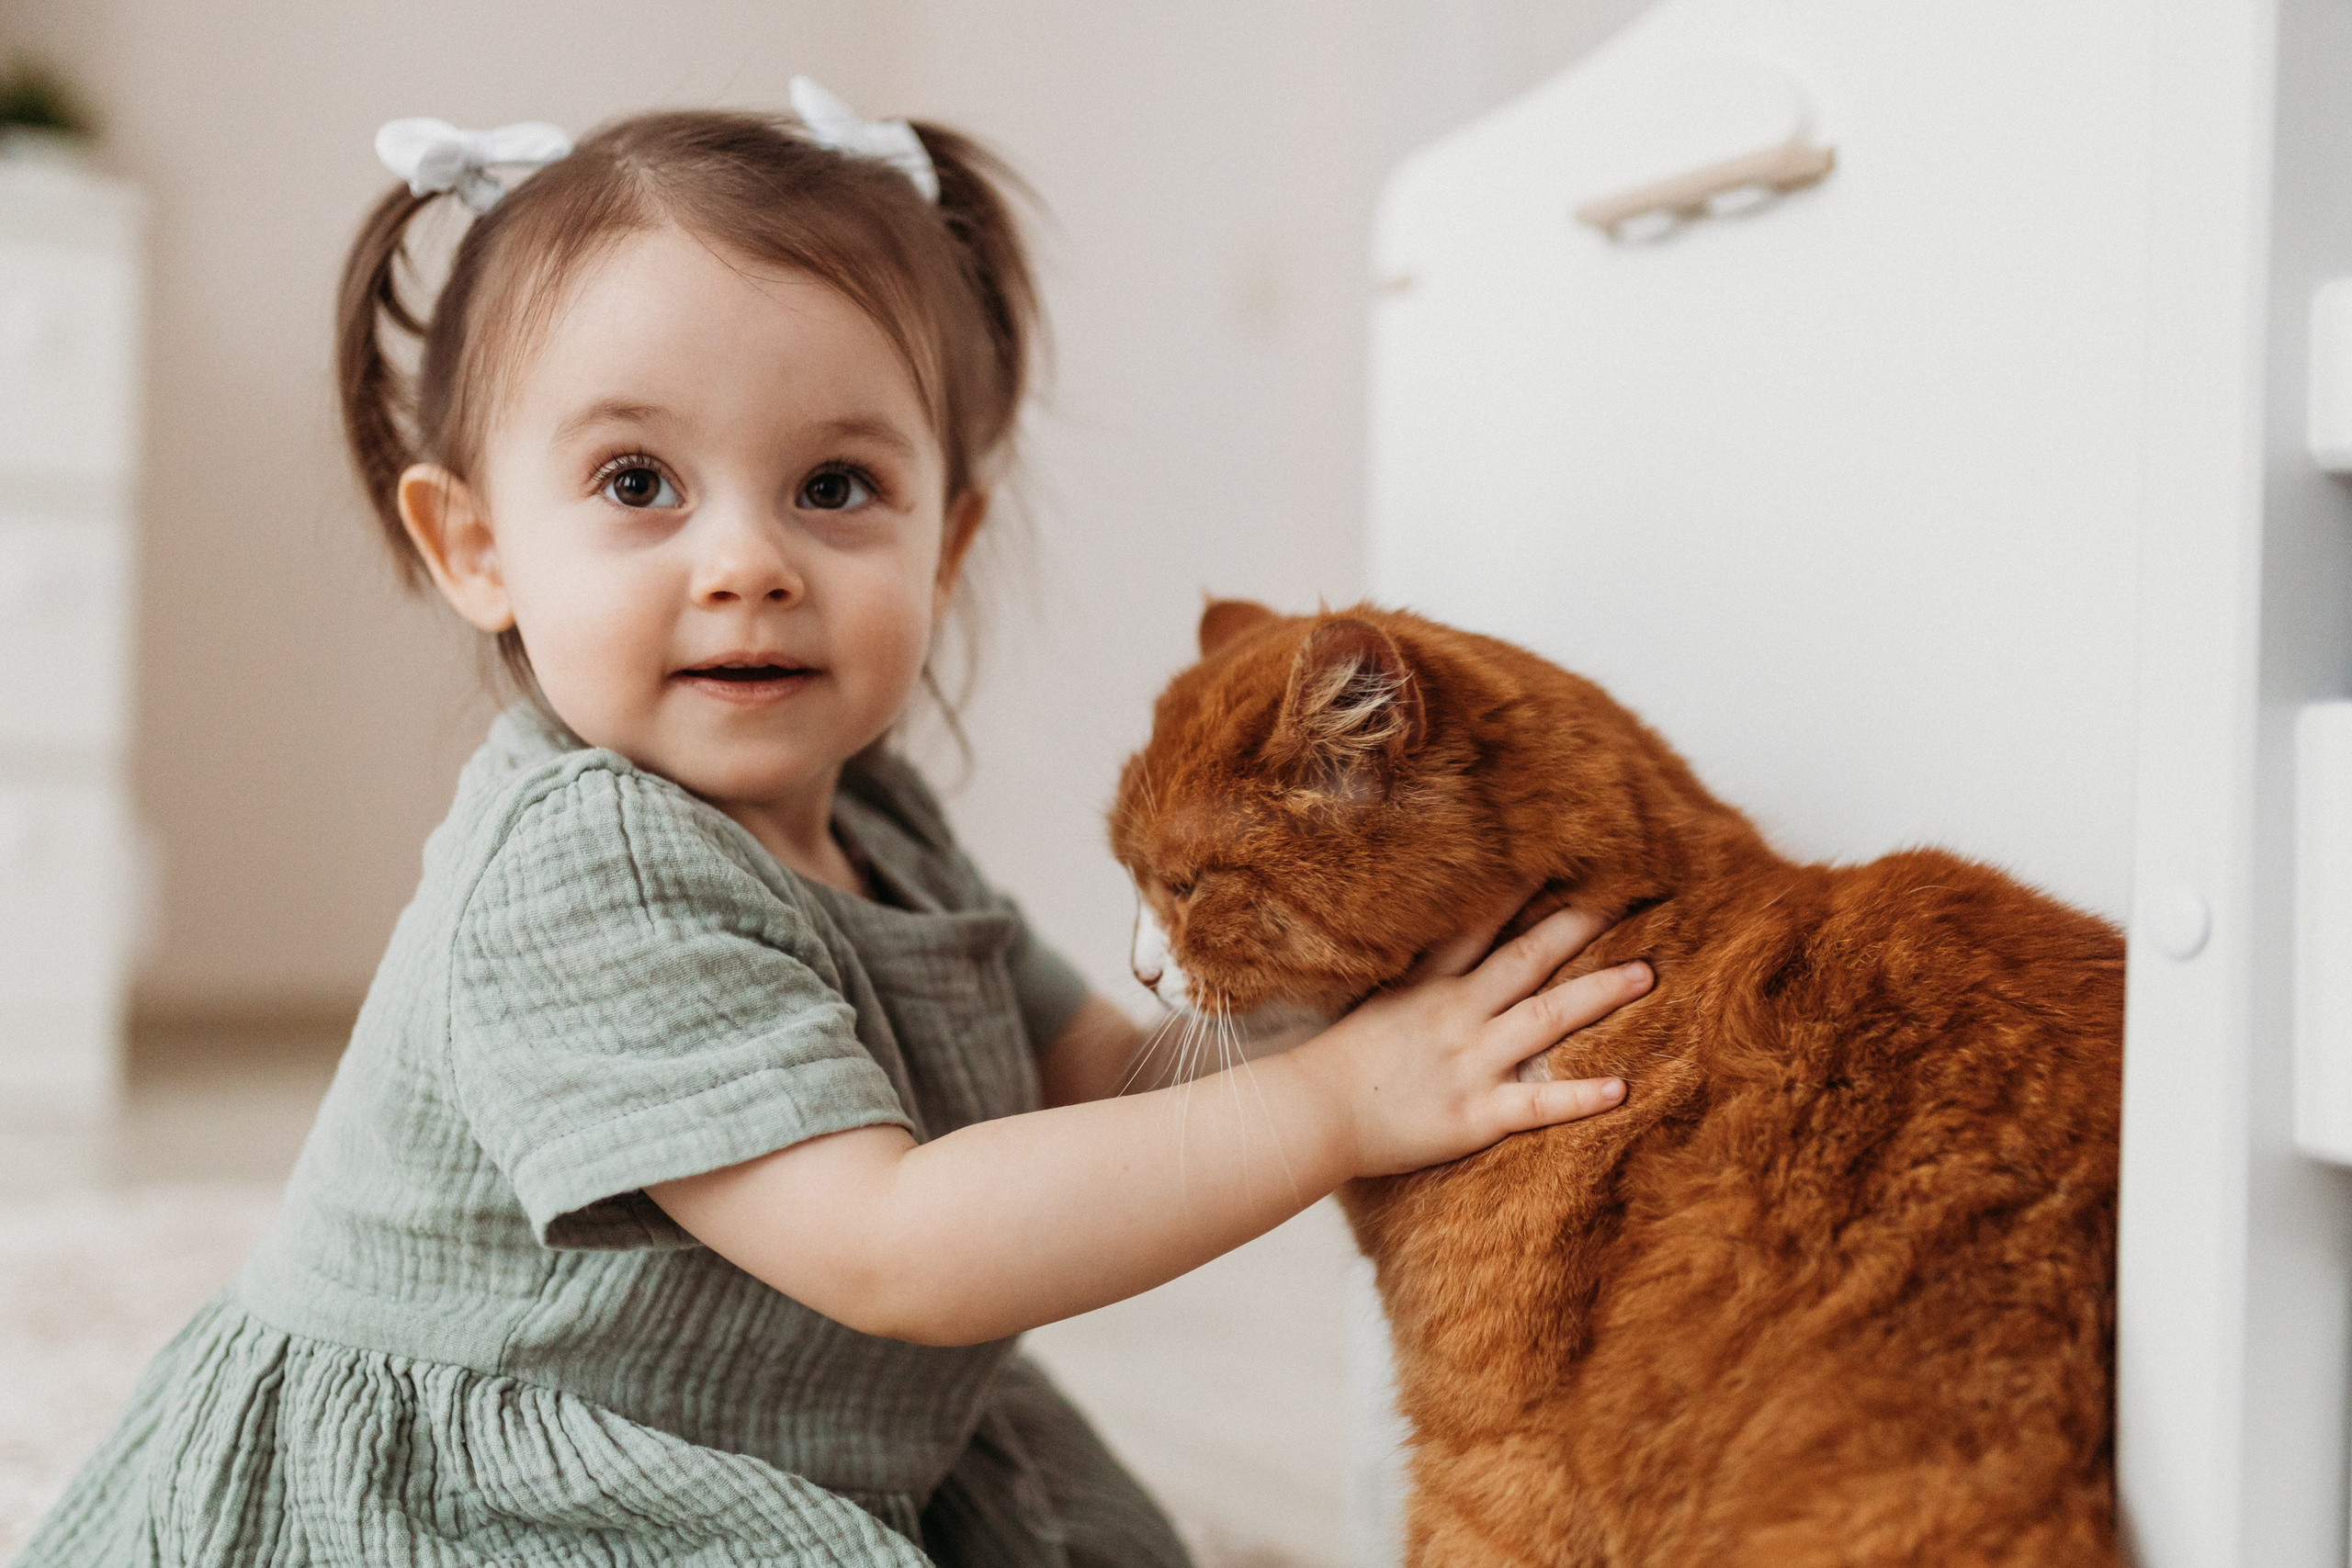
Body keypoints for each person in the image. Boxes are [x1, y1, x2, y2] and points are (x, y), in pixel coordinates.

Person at [17, 82, 1648, 1567]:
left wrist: (1350, 997)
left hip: (792, 1421)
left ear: (949, 541)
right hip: (501, 1487)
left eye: (836, 487)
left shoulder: (880, 818)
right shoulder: (585, 866)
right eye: (639, 484)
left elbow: (1079, 1068)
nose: (750, 562)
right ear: (476, 546)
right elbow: (898, 1247)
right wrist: (1339, 1107)